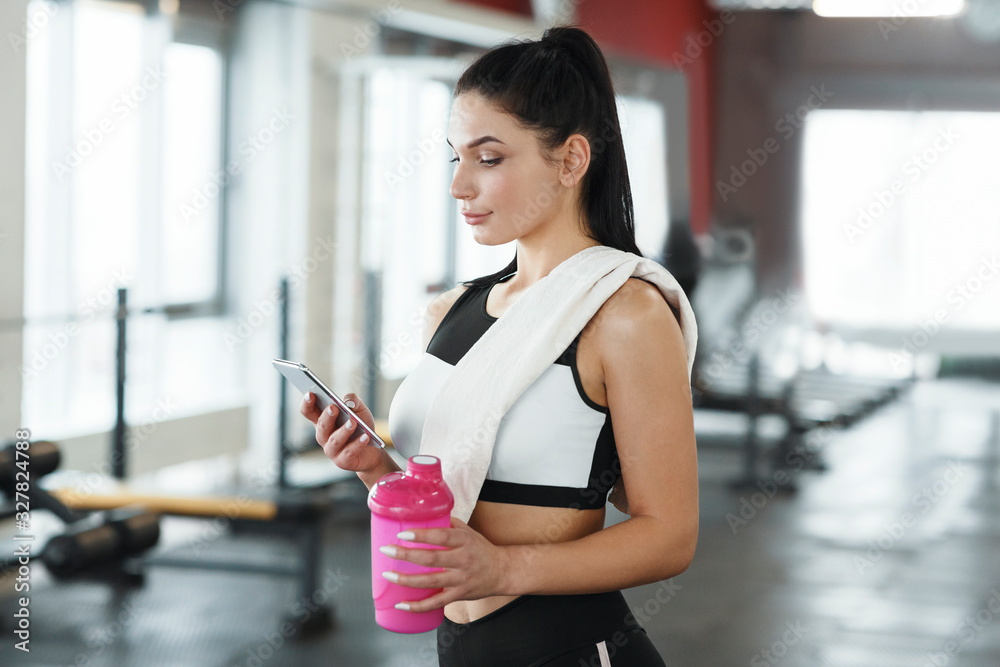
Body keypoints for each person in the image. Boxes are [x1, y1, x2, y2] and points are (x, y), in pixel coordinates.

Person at [300, 25, 698, 666]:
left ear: (570, 160)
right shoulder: (450, 311)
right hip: (463, 648)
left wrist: (506, 569)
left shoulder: (624, 315)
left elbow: (670, 537)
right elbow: (447, 500)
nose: (460, 185)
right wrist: (374, 467)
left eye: (489, 159)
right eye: (455, 158)